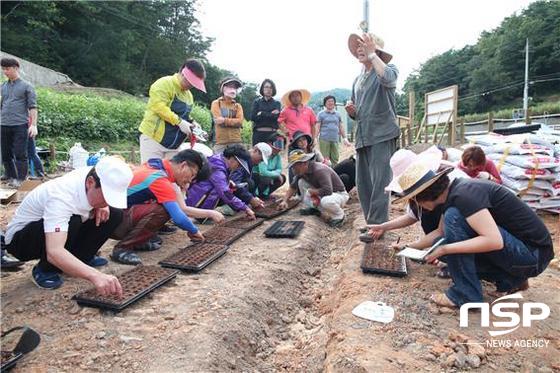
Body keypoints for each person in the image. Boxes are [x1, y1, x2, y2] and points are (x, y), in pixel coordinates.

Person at [393, 162, 554, 308]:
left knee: (451, 224)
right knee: (443, 244)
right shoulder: (454, 194)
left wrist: (445, 249)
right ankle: (512, 280)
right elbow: (440, 232)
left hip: (533, 256)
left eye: (415, 200)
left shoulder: (463, 196)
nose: (416, 205)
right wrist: (408, 247)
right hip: (525, 255)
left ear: (423, 196)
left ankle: (465, 295)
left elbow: (494, 241)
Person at [3, 157, 133, 293]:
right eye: (106, 195)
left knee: (114, 213)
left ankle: (82, 258)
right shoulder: (61, 197)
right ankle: (45, 269)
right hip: (21, 241)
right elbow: (54, 251)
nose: (108, 201)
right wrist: (95, 276)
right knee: (73, 220)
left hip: (57, 229)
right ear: (90, 183)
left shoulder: (95, 173)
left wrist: (103, 204)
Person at [110, 150, 209, 265]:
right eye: (192, 175)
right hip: (111, 223)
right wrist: (194, 231)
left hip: (115, 215)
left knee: (162, 205)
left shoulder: (155, 165)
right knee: (163, 211)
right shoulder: (159, 179)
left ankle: (138, 242)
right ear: (183, 166)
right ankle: (122, 249)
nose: (190, 180)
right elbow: (178, 218)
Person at [345, 33, 399, 226]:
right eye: (358, 47)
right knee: (363, 183)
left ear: (376, 51)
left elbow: (389, 80)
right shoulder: (357, 80)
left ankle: (378, 224)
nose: (360, 49)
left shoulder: (387, 70)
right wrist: (352, 112)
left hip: (382, 134)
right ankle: (371, 222)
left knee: (380, 182)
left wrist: (372, 55)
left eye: (364, 46)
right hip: (363, 136)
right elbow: (358, 113)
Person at [138, 58, 207, 163]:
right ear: (183, 74)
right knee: (152, 174)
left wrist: (192, 123)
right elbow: (158, 107)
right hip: (153, 139)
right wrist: (179, 122)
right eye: (191, 82)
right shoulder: (164, 83)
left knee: (172, 176)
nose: (191, 86)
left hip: (174, 145)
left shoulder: (189, 96)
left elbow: (184, 115)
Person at [279, 150, 349, 227]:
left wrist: (312, 191)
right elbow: (292, 187)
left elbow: (328, 190)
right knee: (301, 182)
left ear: (304, 163)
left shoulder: (320, 170)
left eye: (295, 167)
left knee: (326, 201)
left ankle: (339, 215)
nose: (293, 170)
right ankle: (313, 208)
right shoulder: (301, 171)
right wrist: (284, 201)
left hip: (338, 194)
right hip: (325, 193)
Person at [186, 145, 256, 219]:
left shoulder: (218, 161)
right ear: (232, 159)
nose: (238, 168)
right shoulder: (218, 168)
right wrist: (246, 208)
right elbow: (225, 192)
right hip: (196, 203)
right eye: (239, 165)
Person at [1, 57, 37, 188]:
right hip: (4, 124)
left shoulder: (26, 86)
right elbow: (2, 105)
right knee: (5, 153)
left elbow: (32, 107)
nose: (5, 71)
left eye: (7, 69)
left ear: (16, 68)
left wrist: (33, 125)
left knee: (20, 153)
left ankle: (21, 179)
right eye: (3, 69)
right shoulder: (3, 86)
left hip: (20, 125)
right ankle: (10, 175)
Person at [211, 77, 244, 154]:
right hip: (220, 142)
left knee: (236, 165)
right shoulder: (216, 103)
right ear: (223, 88)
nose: (233, 89)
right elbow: (218, 121)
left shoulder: (238, 106)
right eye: (230, 86)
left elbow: (240, 122)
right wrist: (233, 122)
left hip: (236, 141)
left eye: (235, 87)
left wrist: (224, 120)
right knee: (218, 165)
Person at [316, 95, 350, 166]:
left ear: (334, 103)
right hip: (324, 139)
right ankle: (326, 174)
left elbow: (341, 126)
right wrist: (315, 138)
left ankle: (335, 172)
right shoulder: (321, 114)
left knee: (335, 158)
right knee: (325, 159)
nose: (330, 103)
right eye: (328, 101)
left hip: (335, 139)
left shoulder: (337, 114)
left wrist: (345, 138)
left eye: (332, 101)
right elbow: (318, 127)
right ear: (325, 103)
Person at [252, 134, 286, 199]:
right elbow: (263, 172)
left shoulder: (277, 156)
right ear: (269, 143)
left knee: (282, 177)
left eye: (281, 145)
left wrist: (276, 174)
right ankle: (256, 195)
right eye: (277, 144)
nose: (278, 148)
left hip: (267, 177)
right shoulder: (265, 153)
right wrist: (276, 174)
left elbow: (279, 169)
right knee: (267, 179)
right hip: (257, 178)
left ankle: (265, 194)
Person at [251, 79, 282, 145]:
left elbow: (275, 117)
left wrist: (262, 113)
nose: (269, 89)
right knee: (257, 155)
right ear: (262, 89)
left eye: (271, 87)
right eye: (266, 87)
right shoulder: (257, 102)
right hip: (258, 135)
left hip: (272, 135)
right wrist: (270, 114)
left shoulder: (277, 103)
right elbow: (253, 117)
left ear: (273, 90)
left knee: (273, 155)